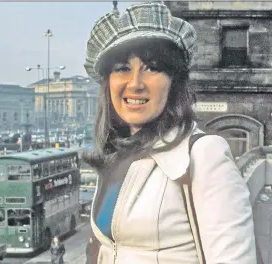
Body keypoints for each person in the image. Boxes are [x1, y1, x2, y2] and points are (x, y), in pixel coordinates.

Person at [82, 1, 257, 264]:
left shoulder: (204, 155)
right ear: (108, 84)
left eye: (152, 67)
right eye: (122, 68)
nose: (135, 84)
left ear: (173, 82)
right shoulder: (115, 157)